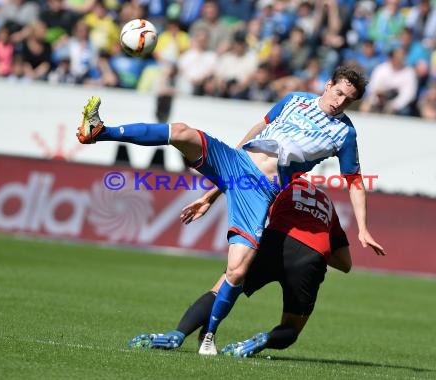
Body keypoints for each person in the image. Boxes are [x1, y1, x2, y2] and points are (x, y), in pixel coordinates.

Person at [76, 65, 386, 355]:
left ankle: (208, 337)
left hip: (260, 191)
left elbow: (355, 182)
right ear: (328, 85)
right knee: (182, 132)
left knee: (237, 271)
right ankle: (100, 131)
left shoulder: (345, 134)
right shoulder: (294, 100)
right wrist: (212, 193)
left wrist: (363, 228)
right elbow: (258, 129)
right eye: (339, 93)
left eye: (348, 100)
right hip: (236, 164)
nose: (340, 102)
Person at [129, 177, 359, 357]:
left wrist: (210, 198)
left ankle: (176, 334)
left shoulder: (278, 181)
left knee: (223, 288)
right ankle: (264, 339)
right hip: (313, 256)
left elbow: (239, 187)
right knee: (290, 329)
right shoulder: (327, 204)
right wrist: (311, 247)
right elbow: (345, 263)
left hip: (275, 242)